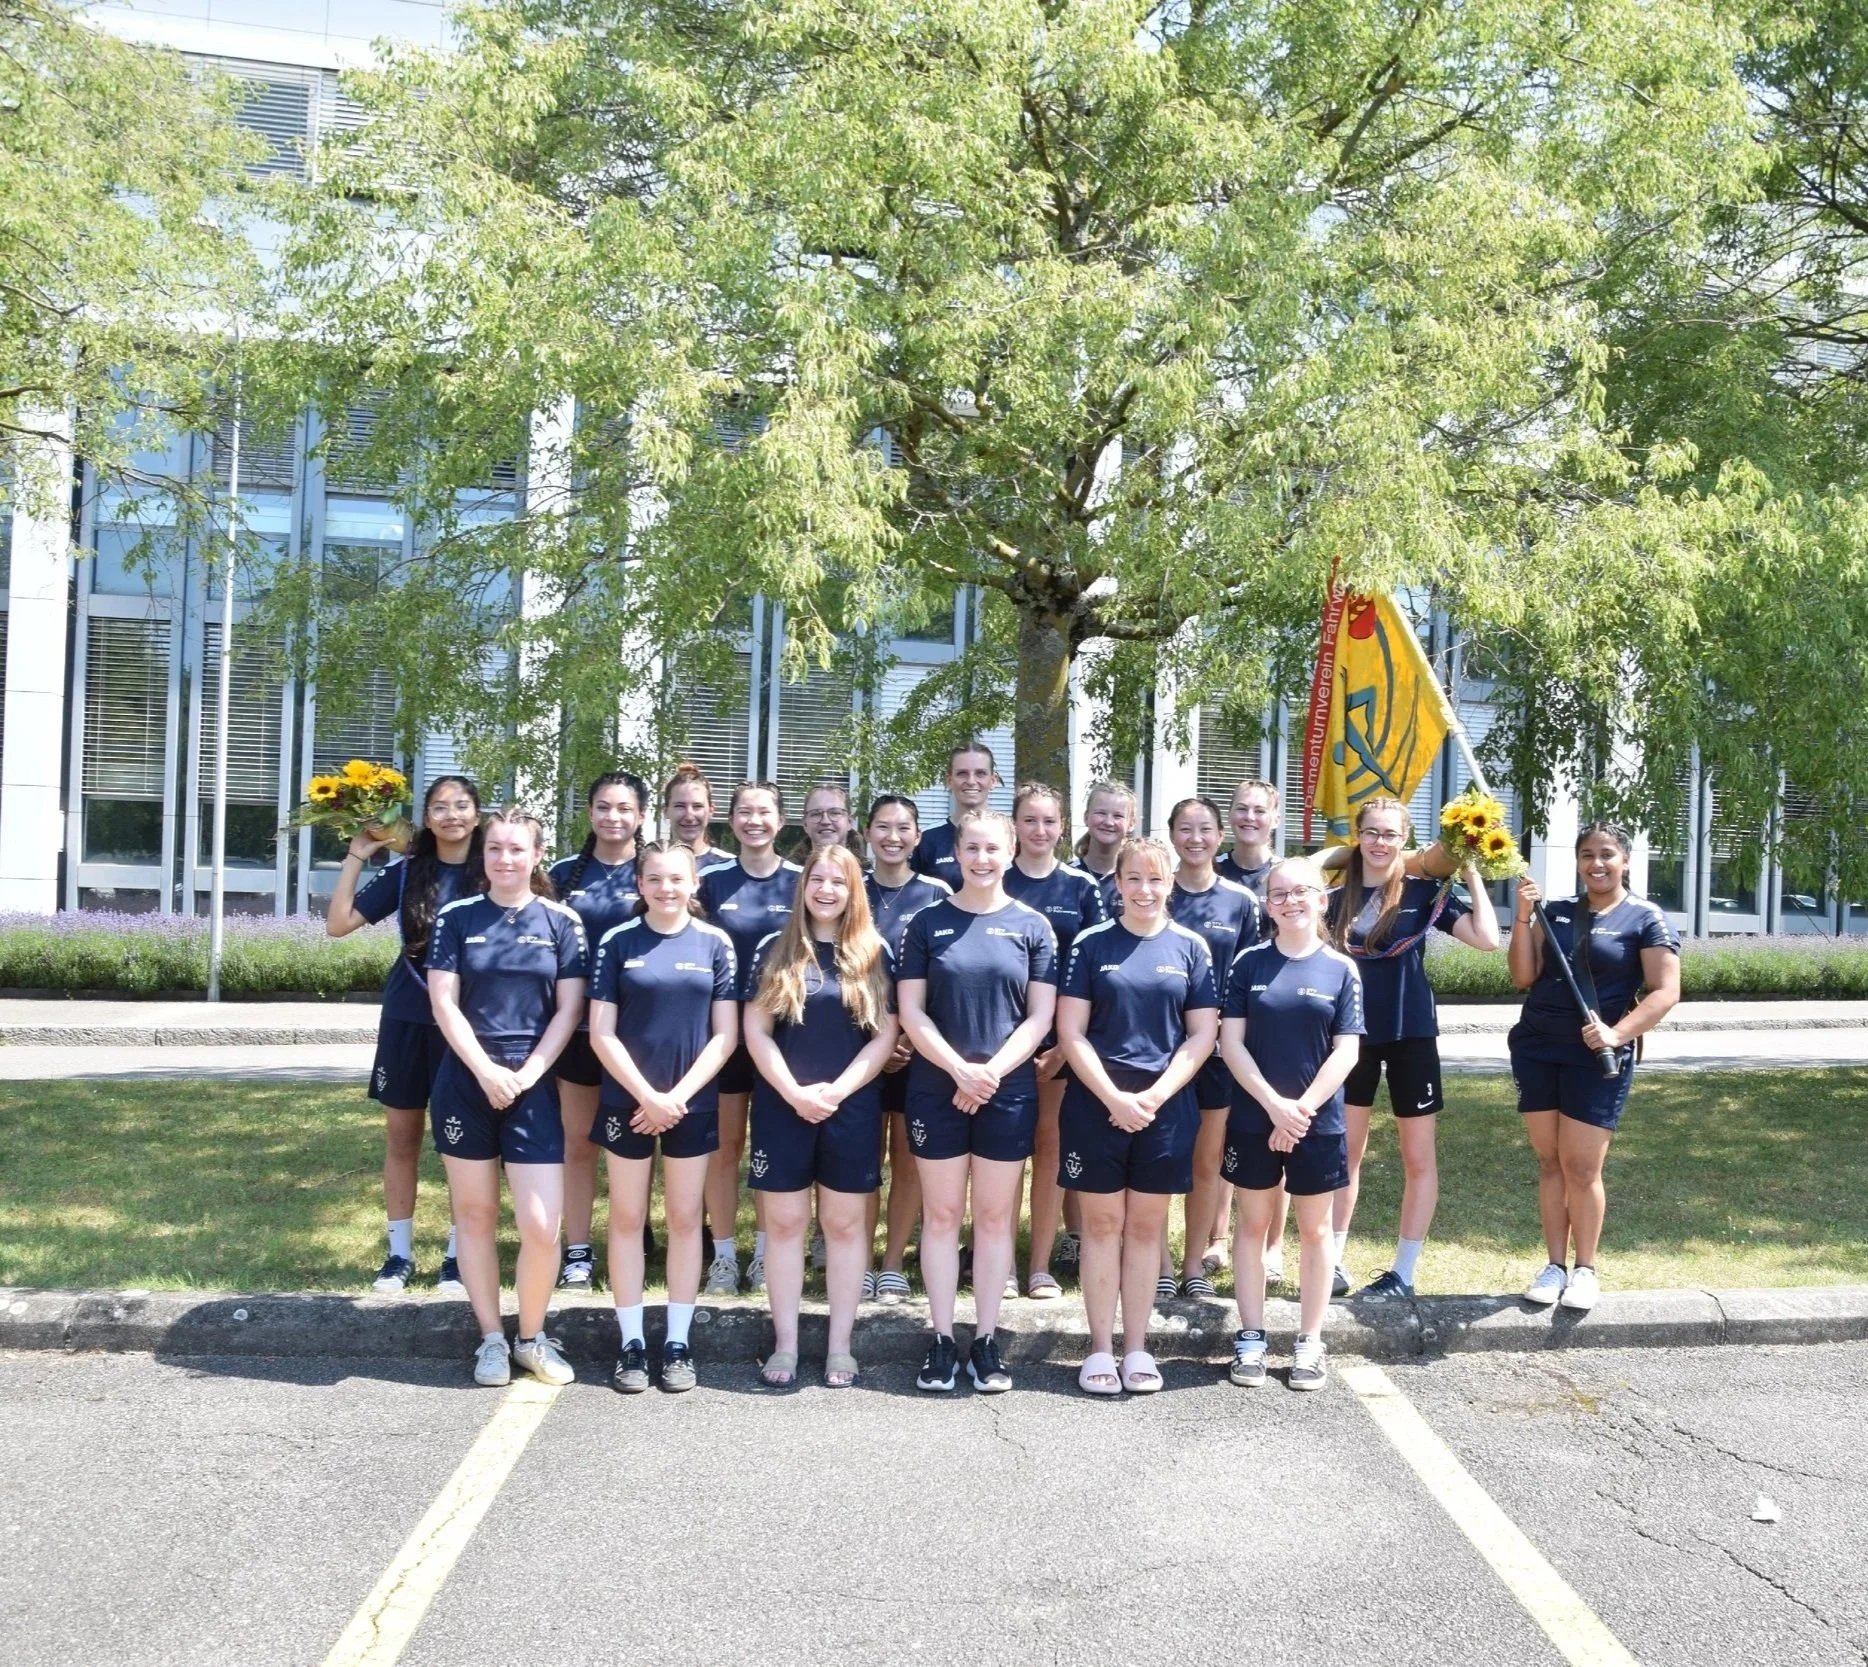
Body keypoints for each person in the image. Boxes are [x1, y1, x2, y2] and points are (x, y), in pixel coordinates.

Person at [426, 807, 588, 1388]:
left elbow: (570, 1008)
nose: (504, 859)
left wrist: (530, 1071)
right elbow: (444, 1003)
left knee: (543, 1226)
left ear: (536, 855)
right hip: (467, 1083)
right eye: (494, 848)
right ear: (483, 855)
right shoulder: (456, 917)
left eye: (516, 849)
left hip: (533, 1086)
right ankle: (492, 1339)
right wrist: (486, 1070)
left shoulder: (561, 922)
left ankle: (531, 1337)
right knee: (475, 1215)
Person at [897, 808, 1057, 1394]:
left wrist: (988, 1071)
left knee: (992, 1219)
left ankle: (986, 1340)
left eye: (994, 849)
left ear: (1010, 852)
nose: (983, 859)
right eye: (973, 849)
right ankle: (941, 1340)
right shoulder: (926, 923)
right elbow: (911, 1011)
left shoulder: (1034, 926)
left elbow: (1040, 1016)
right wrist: (959, 1068)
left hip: (1006, 1088)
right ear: (958, 853)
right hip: (938, 1086)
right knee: (940, 1217)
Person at [1057, 836, 1218, 1394]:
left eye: (1155, 878)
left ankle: (1137, 1348)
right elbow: (1070, 1032)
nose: (1144, 889)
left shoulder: (1191, 947)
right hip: (1096, 1103)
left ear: (1170, 881)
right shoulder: (1089, 944)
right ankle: (1100, 1348)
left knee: (1147, 1229)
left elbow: (1202, 1035)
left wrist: (1153, 1097)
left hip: (1166, 1109)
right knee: (1102, 1226)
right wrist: (1113, 1098)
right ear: (1117, 882)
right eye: (1134, 878)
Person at [1326, 796, 1501, 1299]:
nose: (1381, 843)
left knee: (1417, 1157)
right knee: (1345, 1154)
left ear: (1405, 841)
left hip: (1411, 1035)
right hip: (1350, 1037)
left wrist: (1471, 874)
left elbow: (1487, 939)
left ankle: (1403, 1271)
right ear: (1358, 835)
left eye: (1391, 835)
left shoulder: (1424, 892)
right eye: (1372, 832)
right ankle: (1332, 1261)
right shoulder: (1336, 896)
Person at [744, 845, 900, 1387]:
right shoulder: (776, 948)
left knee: (843, 1225)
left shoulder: (874, 952)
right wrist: (793, 1092)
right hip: (782, 1107)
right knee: (785, 1225)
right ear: (803, 885)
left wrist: (836, 1091)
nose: (827, 889)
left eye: (839, 880)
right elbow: (756, 1033)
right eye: (818, 879)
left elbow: (885, 1038)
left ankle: (840, 1345)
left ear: (853, 889)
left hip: (850, 1108)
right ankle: (785, 1344)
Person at [1508, 823, 1680, 1313]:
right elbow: (1522, 976)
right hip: (1539, 1048)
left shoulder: (1645, 917)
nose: (1596, 864)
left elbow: (1665, 990)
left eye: (1607, 855)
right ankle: (1553, 1265)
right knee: (1549, 1163)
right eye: (1587, 855)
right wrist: (1523, 918)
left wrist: (1617, 1033)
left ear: (1625, 860)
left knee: (1582, 1167)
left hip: (1596, 1057)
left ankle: (1585, 1270)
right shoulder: (1554, 911)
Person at [588, 841, 738, 1392]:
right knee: (627, 1219)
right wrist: (646, 1096)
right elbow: (600, 1031)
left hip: (690, 1105)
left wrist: (674, 1098)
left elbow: (725, 1035)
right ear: (640, 884)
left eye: (677, 879)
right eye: (655, 879)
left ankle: (677, 1341)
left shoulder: (715, 943)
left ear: (694, 883)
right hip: (627, 1102)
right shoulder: (616, 941)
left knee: (682, 1221)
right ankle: (631, 1343)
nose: (666, 888)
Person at [326, 774, 484, 1295]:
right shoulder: (409, 870)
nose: (451, 815)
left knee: (467, 1141)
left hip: (472, 1023)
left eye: (461, 806)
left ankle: (459, 1257)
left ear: (477, 815)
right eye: (440, 807)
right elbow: (339, 923)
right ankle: (398, 1255)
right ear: (426, 817)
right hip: (409, 1016)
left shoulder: (494, 871)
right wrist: (356, 855)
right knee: (403, 1135)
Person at [1219, 856, 1364, 1393]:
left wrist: (1299, 1111)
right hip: (1255, 1118)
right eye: (1277, 894)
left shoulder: (1341, 968)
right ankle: (1252, 1336)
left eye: (1300, 892)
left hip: (1317, 1125)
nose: (1289, 902)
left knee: (1314, 1230)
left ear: (1322, 899)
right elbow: (1229, 1043)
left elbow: (1346, 1052)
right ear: (1266, 903)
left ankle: (1309, 1340)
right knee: (1252, 1228)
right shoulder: (1248, 965)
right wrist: (1274, 1107)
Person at [698, 782, 802, 1295]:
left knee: (771, 1144)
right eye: (744, 812)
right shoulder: (711, 882)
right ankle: (722, 1255)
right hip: (722, 1033)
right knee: (724, 1146)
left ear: (781, 821)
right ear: (731, 821)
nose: (754, 821)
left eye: (764, 812)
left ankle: (764, 1254)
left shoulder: (803, 882)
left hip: (787, 1034)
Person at [1003, 781, 1106, 1300]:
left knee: (1049, 1148)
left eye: (1049, 821)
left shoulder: (1082, 888)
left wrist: (1066, 1043)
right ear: (1014, 825)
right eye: (1030, 820)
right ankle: (996, 1260)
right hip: (999, 1040)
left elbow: (1096, 973)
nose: (1039, 830)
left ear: (1064, 827)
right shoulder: (993, 877)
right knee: (996, 1156)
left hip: (1059, 1046)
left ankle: (1039, 1264)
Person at [549, 770, 649, 1292]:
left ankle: (636, 1238)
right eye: (603, 807)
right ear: (590, 813)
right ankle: (579, 1250)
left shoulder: (654, 871)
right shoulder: (565, 873)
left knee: (635, 1146)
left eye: (624, 808)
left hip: (641, 1035)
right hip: (582, 1032)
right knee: (579, 1144)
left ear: (640, 816)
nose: (613, 817)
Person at [1163, 795, 1264, 1298]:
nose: (1195, 838)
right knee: (1160, 1158)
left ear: (1219, 836)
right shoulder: (1156, 891)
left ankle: (1192, 1266)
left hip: (1218, 1052)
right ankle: (1159, 1262)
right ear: (1172, 835)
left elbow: (1248, 977)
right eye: (1185, 828)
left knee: (1206, 1161)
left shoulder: (1241, 902)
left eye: (1205, 829)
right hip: (1160, 1049)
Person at [862, 794, 952, 1303]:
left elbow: (950, 970)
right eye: (882, 827)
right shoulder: (854, 887)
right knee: (861, 1158)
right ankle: (853, 1251)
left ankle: (893, 1260)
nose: (893, 837)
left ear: (918, 837)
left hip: (922, 1048)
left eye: (903, 829)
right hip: (860, 1044)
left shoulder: (937, 893)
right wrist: (880, 1036)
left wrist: (911, 1039)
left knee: (910, 1157)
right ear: (868, 832)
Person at [910, 742, 1001, 886]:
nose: (971, 781)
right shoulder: (927, 840)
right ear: (949, 780)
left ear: (993, 780)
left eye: (980, 773)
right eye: (962, 773)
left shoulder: (1008, 837)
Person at [1075, 780, 1138, 916]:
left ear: (1132, 823)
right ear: (1086, 817)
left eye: (1118, 816)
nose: (1109, 822)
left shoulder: (1139, 880)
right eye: (1101, 813)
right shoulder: (1068, 877)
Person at [1217, 778, 1280, 899]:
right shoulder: (1210, 870)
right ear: (1229, 814)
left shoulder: (1287, 875)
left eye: (1259, 811)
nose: (1250, 817)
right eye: (1241, 808)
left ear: (1276, 820)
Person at [664, 761, 723, 866]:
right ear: (666, 811)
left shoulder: (728, 865)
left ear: (711, 810)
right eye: (680, 806)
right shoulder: (650, 865)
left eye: (697, 806)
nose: (689, 816)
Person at [800, 779, 863, 858]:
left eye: (835, 813)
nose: (825, 821)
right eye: (816, 814)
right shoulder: (790, 870)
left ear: (849, 821)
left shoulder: (863, 870)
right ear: (805, 824)